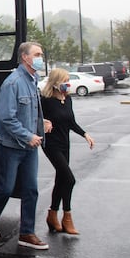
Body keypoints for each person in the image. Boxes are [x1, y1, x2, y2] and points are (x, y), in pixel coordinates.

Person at [0, 41, 53, 250]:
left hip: (29, 146)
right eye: (37, 54)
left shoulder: (32, 79)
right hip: (11, 145)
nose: (40, 58)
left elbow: (29, 110)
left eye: (41, 54)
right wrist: (28, 136)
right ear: (25, 57)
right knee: (6, 188)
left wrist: (40, 124)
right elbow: (6, 118)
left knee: (31, 190)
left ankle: (27, 234)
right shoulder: (13, 83)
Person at [39, 68, 95, 235]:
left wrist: (85, 134)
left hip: (65, 144)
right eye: (64, 81)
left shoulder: (67, 99)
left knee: (61, 179)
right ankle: (67, 216)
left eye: (68, 80)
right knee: (69, 179)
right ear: (55, 83)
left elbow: (71, 122)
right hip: (51, 144)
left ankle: (52, 215)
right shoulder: (46, 101)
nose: (67, 84)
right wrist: (42, 121)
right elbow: (34, 117)